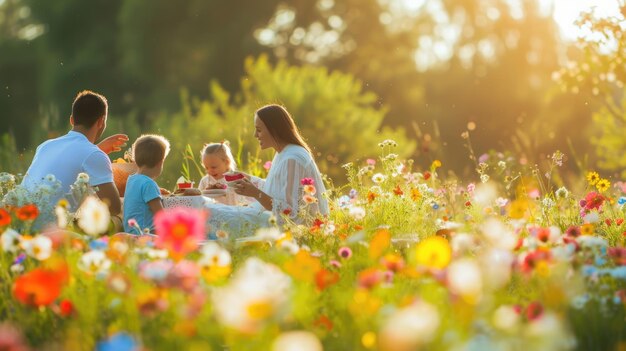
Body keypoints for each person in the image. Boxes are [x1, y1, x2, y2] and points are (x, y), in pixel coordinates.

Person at [22, 90, 128, 223]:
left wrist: (98, 149)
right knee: (122, 214)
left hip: (20, 223)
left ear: (72, 120)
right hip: (51, 231)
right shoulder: (93, 155)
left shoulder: (45, 146)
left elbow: (68, 164)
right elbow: (114, 207)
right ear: (101, 122)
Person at [230, 104, 329, 224]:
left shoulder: (292, 159)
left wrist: (255, 193)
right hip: (278, 224)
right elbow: (278, 191)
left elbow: (291, 213)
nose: (255, 135)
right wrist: (249, 179)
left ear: (274, 129)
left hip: (298, 232)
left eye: (259, 130)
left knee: (217, 214)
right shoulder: (284, 153)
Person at [123, 135, 170, 234]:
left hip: (130, 232)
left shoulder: (131, 179)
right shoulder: (149, 184)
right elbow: (160, 215)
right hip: (146, 234)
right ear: (160, 163)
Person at [198, 141, 262, 206]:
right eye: (206, 168)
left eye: (213, 167)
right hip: (213, 213)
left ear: (227, 162)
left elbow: (248, 199)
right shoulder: (205, 181)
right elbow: (199, 200)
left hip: (233, 213)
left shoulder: (235, 179)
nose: (209, 171)